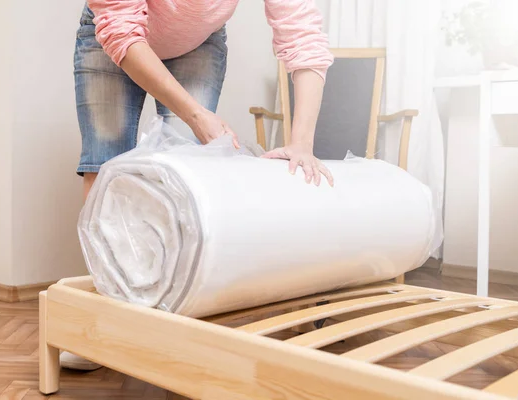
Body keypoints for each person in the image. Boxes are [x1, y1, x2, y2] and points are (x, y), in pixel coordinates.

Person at [62, 0, 334, 371]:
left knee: (183, 179)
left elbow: (301, 32)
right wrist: (194, 114)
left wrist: (301, 142)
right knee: (104, 164)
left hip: (197, 43)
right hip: (113, 32)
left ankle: (170, 322)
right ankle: (103, 325)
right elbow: (121, 26)